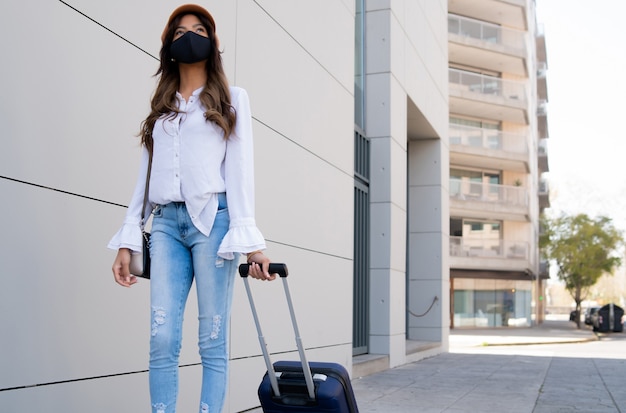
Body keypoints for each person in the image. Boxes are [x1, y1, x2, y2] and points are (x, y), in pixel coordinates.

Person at [108, 4, 275, 412]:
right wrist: (128, 240)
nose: (190, 36)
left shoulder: (233, 99)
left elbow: (239, 173)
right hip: (165, 226)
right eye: (181, 32)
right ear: (169, 45)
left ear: (213, 43)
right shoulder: (162, 107)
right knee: (162, 337)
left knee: (212, 338)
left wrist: (251, 244)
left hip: (213, 225)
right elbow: (146, 180)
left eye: (199, 29)